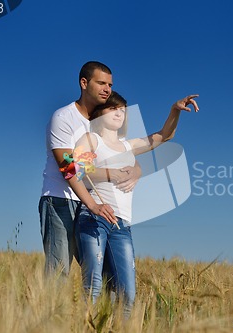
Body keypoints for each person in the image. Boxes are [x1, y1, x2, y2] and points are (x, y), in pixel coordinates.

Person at [74, 91, 199, 317]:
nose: (119, 113)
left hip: (122, 225)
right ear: (99, 113)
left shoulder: (127, 146)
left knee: (128, 294)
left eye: (122, 110)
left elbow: (163, 136)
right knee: (93, 286)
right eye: (112, 108)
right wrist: (113, 174)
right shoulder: (92, 140)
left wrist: (174, 110)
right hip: (95, 218)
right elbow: (79, 171)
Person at [39, 61, 142, 276]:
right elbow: (68, 168)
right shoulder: (63, 118)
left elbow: (122, 151)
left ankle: (98, 311)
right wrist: (94, 205)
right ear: (84, 83)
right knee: (59, 272)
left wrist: (137, 170)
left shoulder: (103, 120)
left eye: (110, 84)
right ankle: (48, 310)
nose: (108, 89)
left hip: (92, 207)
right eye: (101, 83)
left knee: (107, 276)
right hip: (61, 200)